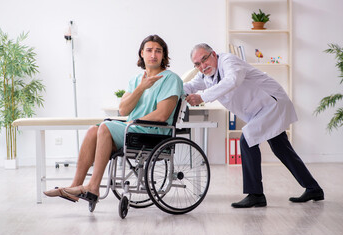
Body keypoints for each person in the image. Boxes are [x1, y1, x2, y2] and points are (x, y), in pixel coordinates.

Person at [44, 34, 184, 204]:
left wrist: (135, 122)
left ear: (163, 55)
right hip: (133, 130)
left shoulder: (170, 79)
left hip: (153, 133)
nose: (153, 55)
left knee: (105, 127)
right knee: (93, 130)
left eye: (158, 51)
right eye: (149, 50)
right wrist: (141, 88)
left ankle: (93, 187)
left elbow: (162, 114)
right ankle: (75, 186)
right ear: (141, 53)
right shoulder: (136, 80)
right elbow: (123, 109)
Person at [184, 43, 324, 208]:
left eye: (204, 59)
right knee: (282, 148)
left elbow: (233, 80)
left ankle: (256, 194)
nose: (202, 66)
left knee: (247, 139)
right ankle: (313, 188)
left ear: (213, 54)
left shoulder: (229, 61)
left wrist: (202, 97)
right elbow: (190, 85)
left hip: (272, 103)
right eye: (197, 64)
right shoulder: (206, 76)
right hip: (260, 112)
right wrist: (169, 86)